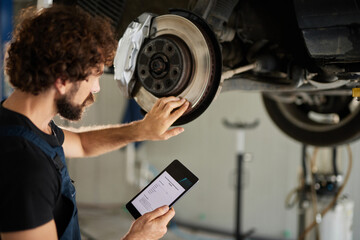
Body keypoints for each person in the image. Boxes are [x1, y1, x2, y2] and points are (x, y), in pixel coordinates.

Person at [0, 4, 189, 240]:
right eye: (94, 76)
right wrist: (137, 238)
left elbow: (82, 143)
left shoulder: (20, 121)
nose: (96, 89)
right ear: (62, 80)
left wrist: (141, 130)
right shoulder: (26, 169)